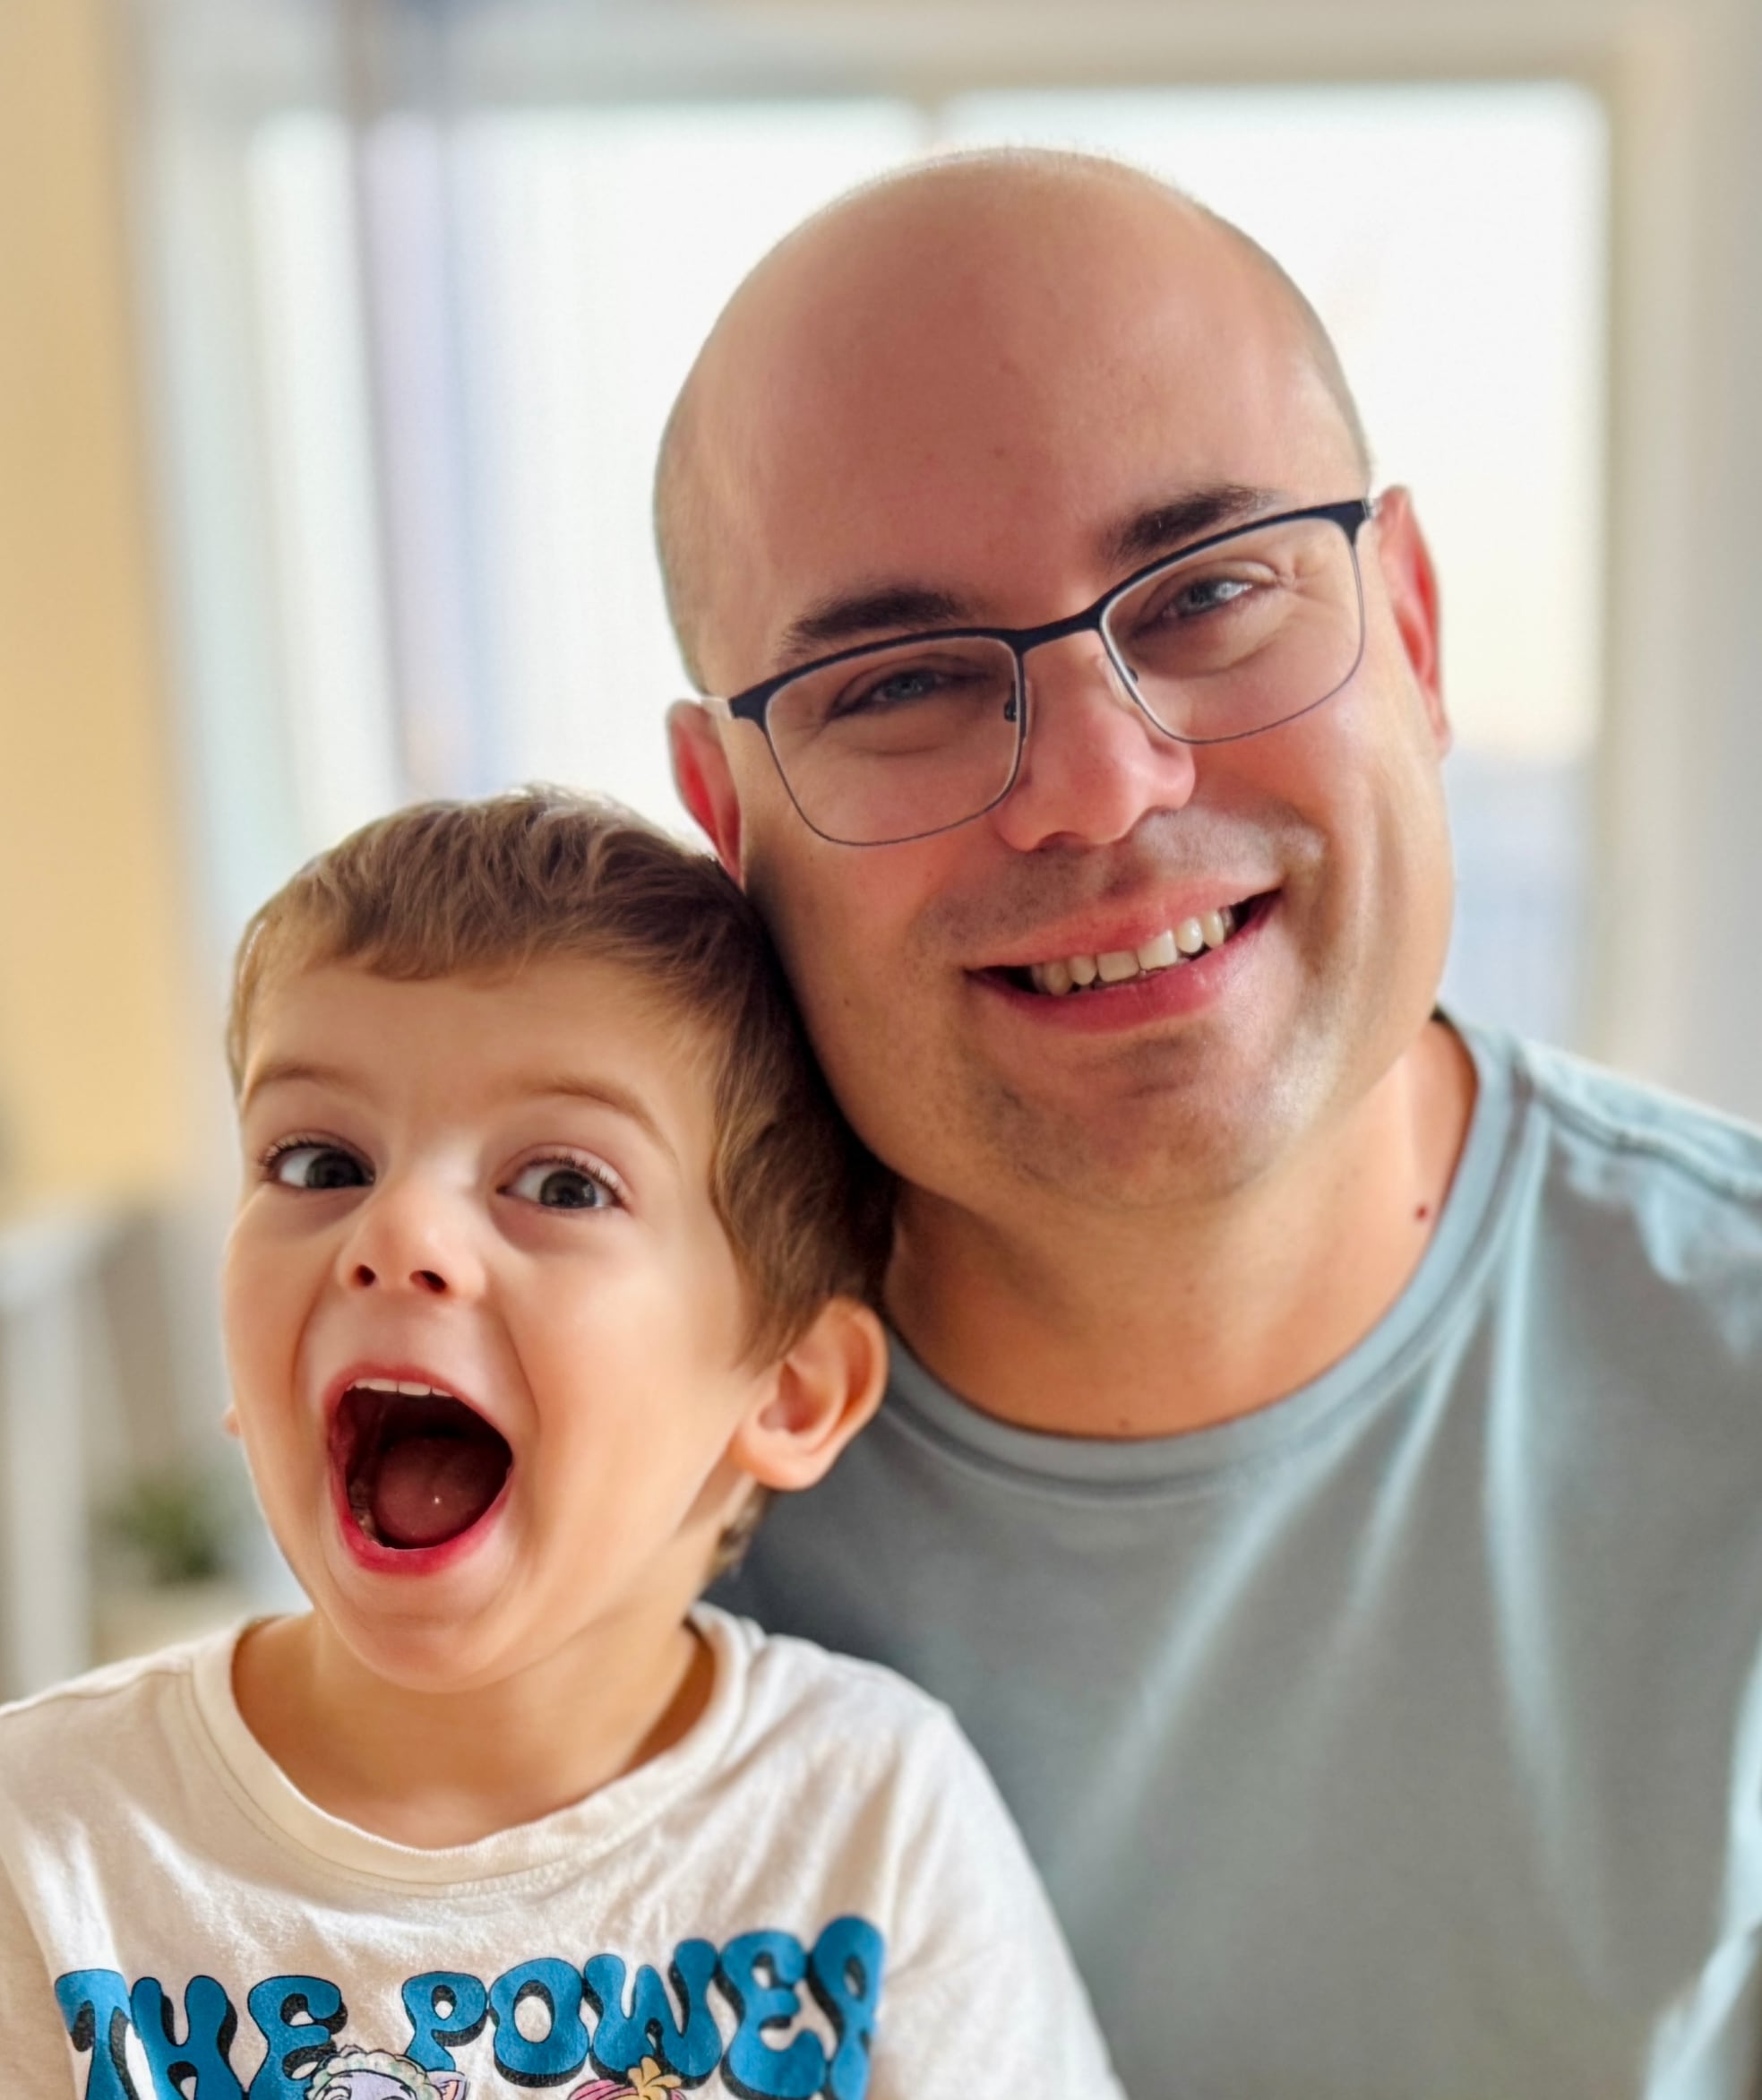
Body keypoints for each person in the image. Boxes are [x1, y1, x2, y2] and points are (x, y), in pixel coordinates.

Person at [658, 149, 1762, 2096]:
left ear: (1411, 627)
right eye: (898, 680)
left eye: (1211, 591)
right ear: (727, 817)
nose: (1097, 781)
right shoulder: (603, 1492)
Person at [0, 790, 1122, 2100]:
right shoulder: (47, 1836)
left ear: (790, 1392)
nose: (398, 1233)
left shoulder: (872, 1819)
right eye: (317, 1162)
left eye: (563, 1186)